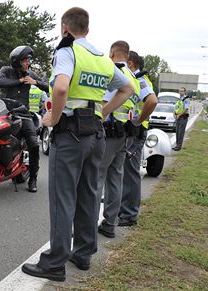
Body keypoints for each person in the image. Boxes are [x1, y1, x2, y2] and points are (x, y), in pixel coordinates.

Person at [21, 7, 134, 282]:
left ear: (65, 28)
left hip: (70, 134)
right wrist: (104, 111)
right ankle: (83, 254)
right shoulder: (101, 58)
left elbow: (60, 88)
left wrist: (52, 118)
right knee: (88, 194)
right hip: (97, 134)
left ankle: (55, 262)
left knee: (63, 197)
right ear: (87, 29)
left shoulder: (67, 51)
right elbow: (128, 89)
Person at [97, 41, 156, 239]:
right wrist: (138, 121)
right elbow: (151, 100)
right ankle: (110, 224)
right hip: (125, 135)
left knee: (96, 178)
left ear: (113, 53)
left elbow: (104, 102)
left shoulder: (113, 72)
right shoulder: (136, 76)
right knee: (115, 178)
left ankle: (86, 226)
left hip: (108, 131)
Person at [0, 46, 49, 192]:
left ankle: (33, 179)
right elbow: (0, 82)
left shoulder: (31, 74)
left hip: (23, 114)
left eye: (28, 60)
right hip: (4, 112)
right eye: (25, 60)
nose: (28, 63)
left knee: (34, 144)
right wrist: (20, 80)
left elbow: (49, 87)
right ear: (17, 61)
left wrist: (36, 82)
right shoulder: (6, 70)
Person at [117, 51, 157, 227]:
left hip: (137, 132)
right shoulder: (140, 79)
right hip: (135, 131)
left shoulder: (139, 80)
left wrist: (137, 121)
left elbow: (152, 101)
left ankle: (129, 215)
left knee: (131, 174)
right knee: (126, 173)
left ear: (131, 64)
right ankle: (125, 211)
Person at [172, 87, 190, 151]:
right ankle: (177, 145)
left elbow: (186, 109)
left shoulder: (186, 99)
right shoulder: (179, 99)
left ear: (185, 92)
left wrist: (179, 115)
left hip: (183, 117)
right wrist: (174, 114)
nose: (181, 92)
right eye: (180, 91)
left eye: (182, 91)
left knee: (180, 133)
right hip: (178, 117)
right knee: (177, 132)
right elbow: (177, 107)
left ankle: (178, 146)